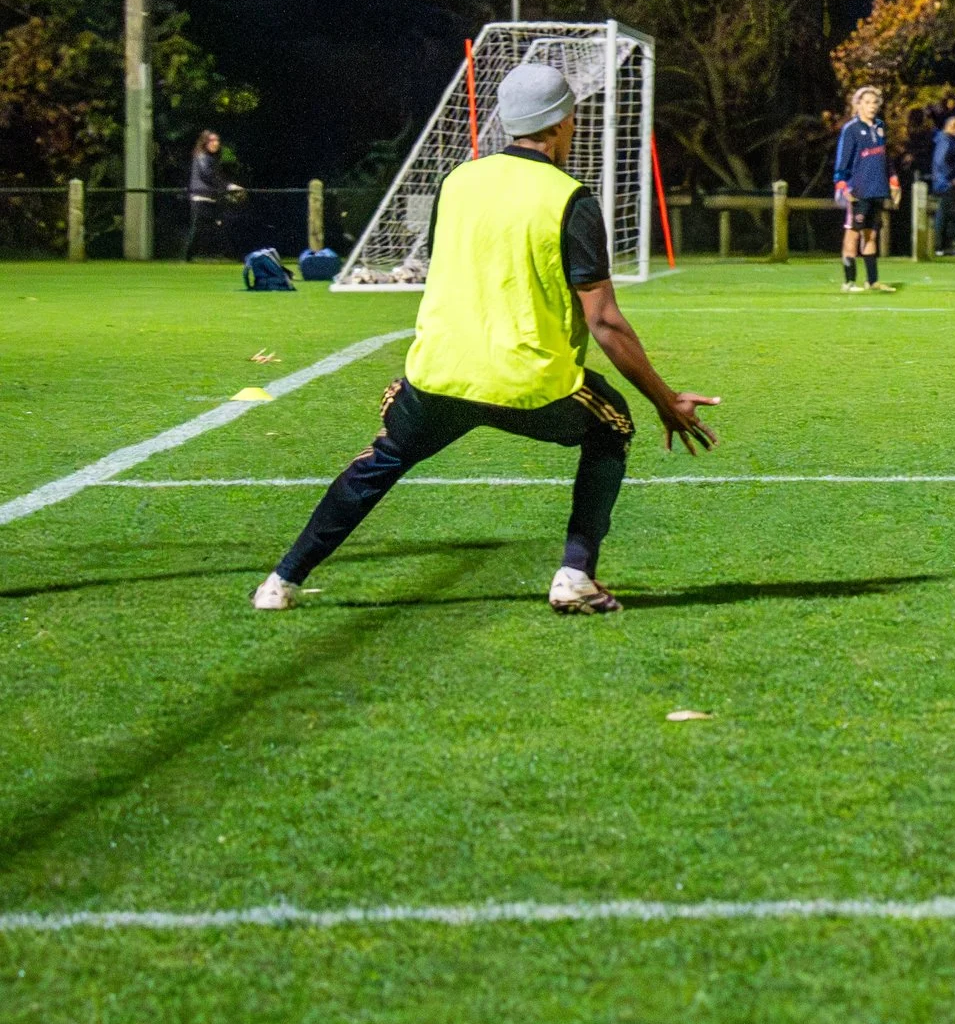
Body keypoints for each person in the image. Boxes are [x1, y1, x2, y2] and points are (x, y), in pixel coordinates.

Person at [252, 64, 718, 615]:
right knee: (612, 425)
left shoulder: (456, 183)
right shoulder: (571, 199)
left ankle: (281, 582)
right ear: (566, 122)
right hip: (529, 385)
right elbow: (606, 322)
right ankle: (575, 575)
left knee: (383, 459)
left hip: (439, 374)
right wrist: (666, 401)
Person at [831, 85, 900, 292]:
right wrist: (842, 184)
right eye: (867, 102)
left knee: (871, 235)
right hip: (857, 191)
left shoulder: (879, 126)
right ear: (858, 104)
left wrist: (893, 180)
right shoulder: (851, 129)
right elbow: (842, 161)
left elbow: (886, 157)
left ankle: (872, 281)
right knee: (853, 234)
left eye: (875, 103)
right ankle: (849, 281)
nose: (871, 107)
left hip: (876, 189)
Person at [182, 130, 243, 262]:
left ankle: (227, 255)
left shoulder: (210, 158)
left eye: (217, 141)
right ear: (205, 143)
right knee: (199, 228)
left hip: (210, 197)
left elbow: (214, 177)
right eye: (212, 141)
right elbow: (209, 176)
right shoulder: (202, 157)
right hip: (201, 198)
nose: (216, 143)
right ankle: (188, 257)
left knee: (218, 226)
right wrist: (228, 186)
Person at [930, 114, 955, 256]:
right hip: (947, 184)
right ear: (947, 127)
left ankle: (939, 246)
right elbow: (941, 161)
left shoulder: (948, 141)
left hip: (944, 183)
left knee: (944, 212)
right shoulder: (946, 141)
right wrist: (952, 177)